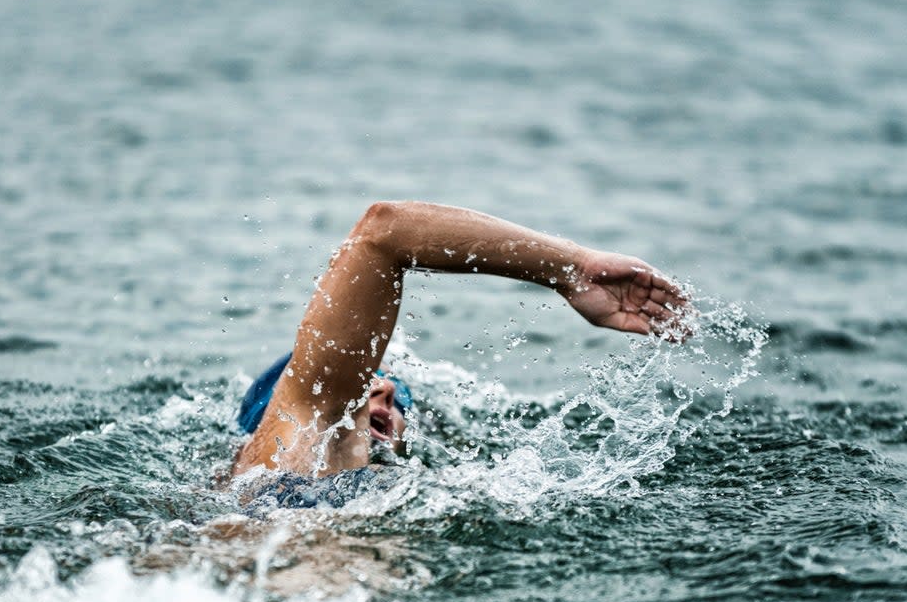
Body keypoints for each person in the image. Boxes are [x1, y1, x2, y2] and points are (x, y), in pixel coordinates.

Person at [231, 201, 689, 481]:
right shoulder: (293, 442)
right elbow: (385, 230)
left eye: (398, 398)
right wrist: (571, 269)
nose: (385, 389)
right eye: (361, 382)